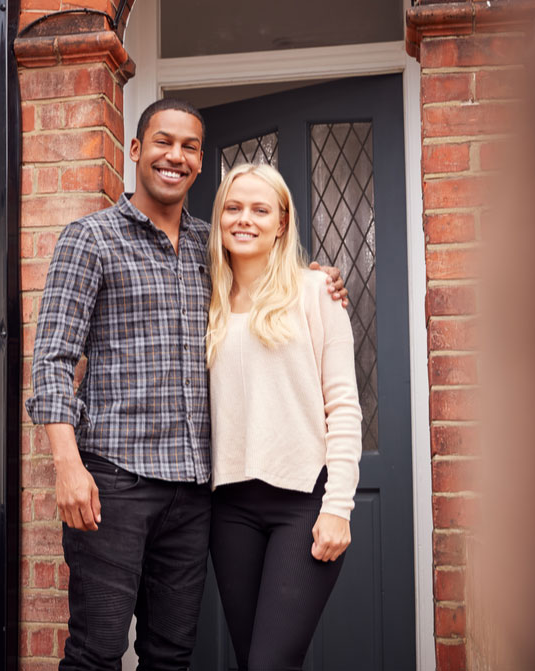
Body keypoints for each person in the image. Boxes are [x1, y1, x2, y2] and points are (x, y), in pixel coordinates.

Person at [26, 99, 347, 670]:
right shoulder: (90, 239)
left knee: (170, 655)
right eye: (163, 142)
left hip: (195, 493)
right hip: (115, 483)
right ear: (135, 149)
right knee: (96, 651)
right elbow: (52, 360)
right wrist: (67, 466)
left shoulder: (213, 249)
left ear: (200, 163)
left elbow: (269, 271)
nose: (175, 156)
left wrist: (317, 277)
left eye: (189, 147)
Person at [206, 163, 362, 670]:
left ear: (282, 220)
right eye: (233, 207)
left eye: (259, 209)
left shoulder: (316, 293)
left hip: (303, 504)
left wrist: (338, 506)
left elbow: (343, 407)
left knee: (271, 663)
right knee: (255, 660)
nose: (244, 219)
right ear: (219, 217)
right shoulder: (204, 299)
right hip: (229, 508)